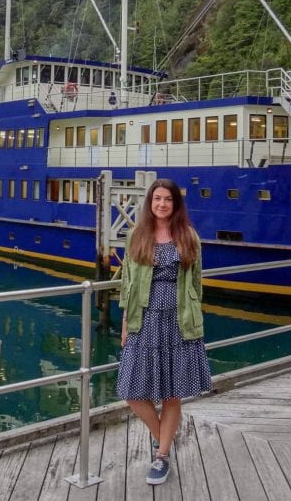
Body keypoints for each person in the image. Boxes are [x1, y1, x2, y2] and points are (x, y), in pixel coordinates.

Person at [116, 178, 212, 485]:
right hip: (143, 320)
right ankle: (165, 438)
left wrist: (196, 321)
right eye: (157, 198)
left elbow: (197, 283)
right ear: (150, 202)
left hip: (179, 319)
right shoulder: (137, 234)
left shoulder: (189, 236)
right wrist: (124, 324)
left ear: (175, 204)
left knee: (173, 391)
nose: (162, 204)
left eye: (168, 199)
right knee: (131, 391)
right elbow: (127, 284)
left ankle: (162, 456)